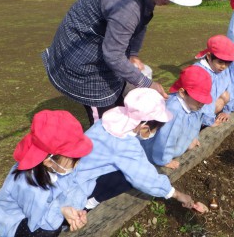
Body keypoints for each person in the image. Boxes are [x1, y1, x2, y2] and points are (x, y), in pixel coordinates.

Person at [41, 0, 202, 125]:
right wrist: (147, 83)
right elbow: (113, 55)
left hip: (101, 46)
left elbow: (142, 22)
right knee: (105, 122)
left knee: (117, 102)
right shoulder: (127, 4)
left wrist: (133, 53)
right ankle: (101, 146)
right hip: (81, 56)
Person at [59, 88, 200, 213]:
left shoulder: (113, 118)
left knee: (127, 172)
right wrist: (176, 194)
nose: (154, 133)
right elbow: (146, 177)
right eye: (155, 129)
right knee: (129, 177)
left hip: (70, 172)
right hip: (74, 190)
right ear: (145, 127)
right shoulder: (125, 145)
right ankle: (87, 203)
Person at [0, 110, 94, 236]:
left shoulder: (56, 165)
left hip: (39, 209)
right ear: (49, 161)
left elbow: (70, 188)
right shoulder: (29, 185)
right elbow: (39, 219)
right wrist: (61, 211)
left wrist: (74, 210)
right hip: (15, 221)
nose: (77, 163)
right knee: (47, 230)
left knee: (56, 220)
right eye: (74, 158)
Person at [141, 66, 212, 169]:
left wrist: (193, 138)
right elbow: (165, 139)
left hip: (177, 146)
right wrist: (164, 160)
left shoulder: (194, 105)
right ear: (182, 93)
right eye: (198, 99)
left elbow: (196, 123)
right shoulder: (173, 112)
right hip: (155, 153)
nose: (202, 103)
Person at [194, 35, 234, 127]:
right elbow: (203, 101)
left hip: (210, 106)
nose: (224, 66)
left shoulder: (223, 69)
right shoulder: (200, 73)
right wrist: (209, 121)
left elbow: (230, 88)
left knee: (225, 95)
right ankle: (200, 125)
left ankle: (204, 122)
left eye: (227, 63)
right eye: (220, 62)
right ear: (209, 56)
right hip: (196, 109)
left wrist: (227, 110)